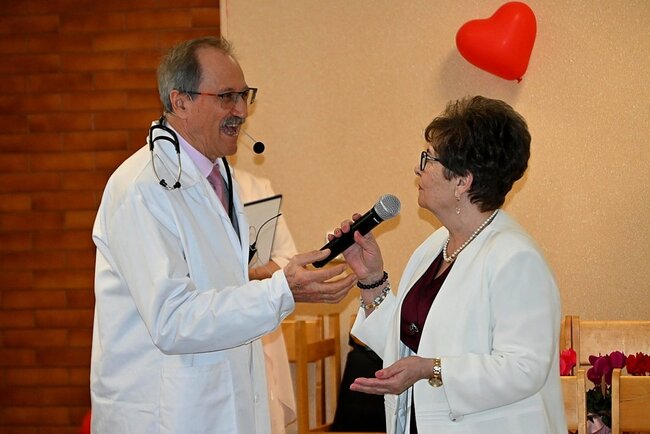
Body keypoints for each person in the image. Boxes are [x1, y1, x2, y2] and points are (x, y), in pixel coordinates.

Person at [90, 36, 356, 434]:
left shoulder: (218, 177)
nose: (242, 111)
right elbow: (172, 320)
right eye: (227, 97)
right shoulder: (141, 188)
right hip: (166, 414)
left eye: (245, 95)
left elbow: (224, 290)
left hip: (220, 404)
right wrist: (280, 291)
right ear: (180, 102)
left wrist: (292, 281)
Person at [333, 96, 566, 433]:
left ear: (462, 181)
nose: (418, 169)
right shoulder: (434, 246)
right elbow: (406, 345)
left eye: (428, 159)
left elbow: (524, 368)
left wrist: (433, 369)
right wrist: (371, 278)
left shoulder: (515, 258)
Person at [234, 167, 298, 433]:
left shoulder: (255, 186)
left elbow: (286, 258)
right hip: (212, 316)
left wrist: (245, 274)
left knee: (264, 408)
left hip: (257, 306)